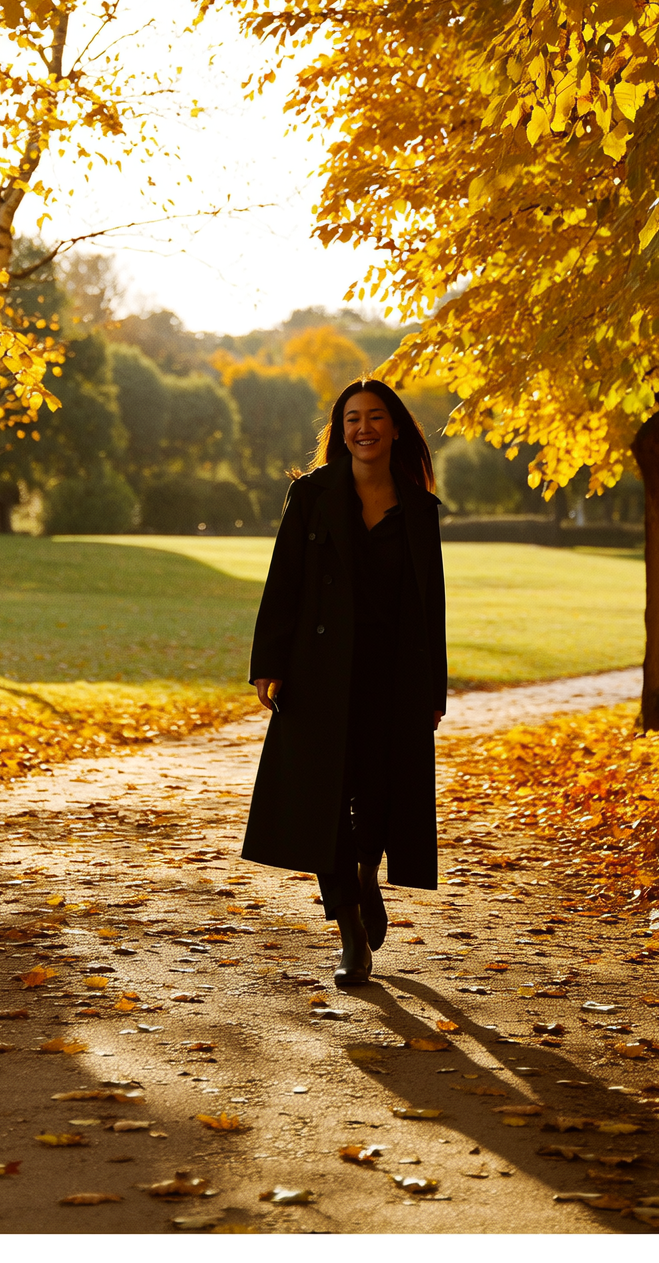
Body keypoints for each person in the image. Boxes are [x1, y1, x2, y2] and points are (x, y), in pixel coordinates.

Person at [242, 379, 446, 987]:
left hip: (392, 676)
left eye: (375, 417)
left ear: (395, 428)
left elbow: (429, 604)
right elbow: (285, 579)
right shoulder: (310, 496)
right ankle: (350, 930)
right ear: (341, 429)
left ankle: (365, 873)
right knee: (323, 801)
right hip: (318, 673)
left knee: (380, 796)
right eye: (352, 418)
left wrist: (431, 687)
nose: (364, 427)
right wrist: (269, 661)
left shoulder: (419, 510)